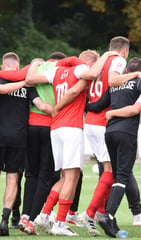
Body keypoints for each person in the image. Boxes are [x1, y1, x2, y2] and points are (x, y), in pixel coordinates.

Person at [25, 50, 113, 236]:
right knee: (72, 177)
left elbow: (30, 79)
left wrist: (35, 63)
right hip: (71, 127)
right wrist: (106, 55)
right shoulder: (80, 69)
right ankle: (60, 223)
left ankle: (44, 214)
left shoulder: (57, 71)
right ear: (89, 62)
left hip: (56, 128)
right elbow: (81, 83)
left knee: (65, 177)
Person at [86, 57, 141, 238]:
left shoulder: (115, 86)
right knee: (123, 177)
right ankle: (108, 215)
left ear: (125, 71)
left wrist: (83, 95)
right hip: (126, 134)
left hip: (109, 133)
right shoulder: (139, 82)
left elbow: (95, 106)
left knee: (117, 176)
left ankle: (112, 222)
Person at [0, 52, 54, 236]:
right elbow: (43, 106)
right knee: (13, 179)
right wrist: (60, 111)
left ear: (2, 66)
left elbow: (3, 90)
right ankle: (5, 220)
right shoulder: (28, 84)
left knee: (12, 178)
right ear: (18, 66)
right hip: (19, 138)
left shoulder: (2, 78)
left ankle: (7, 220)